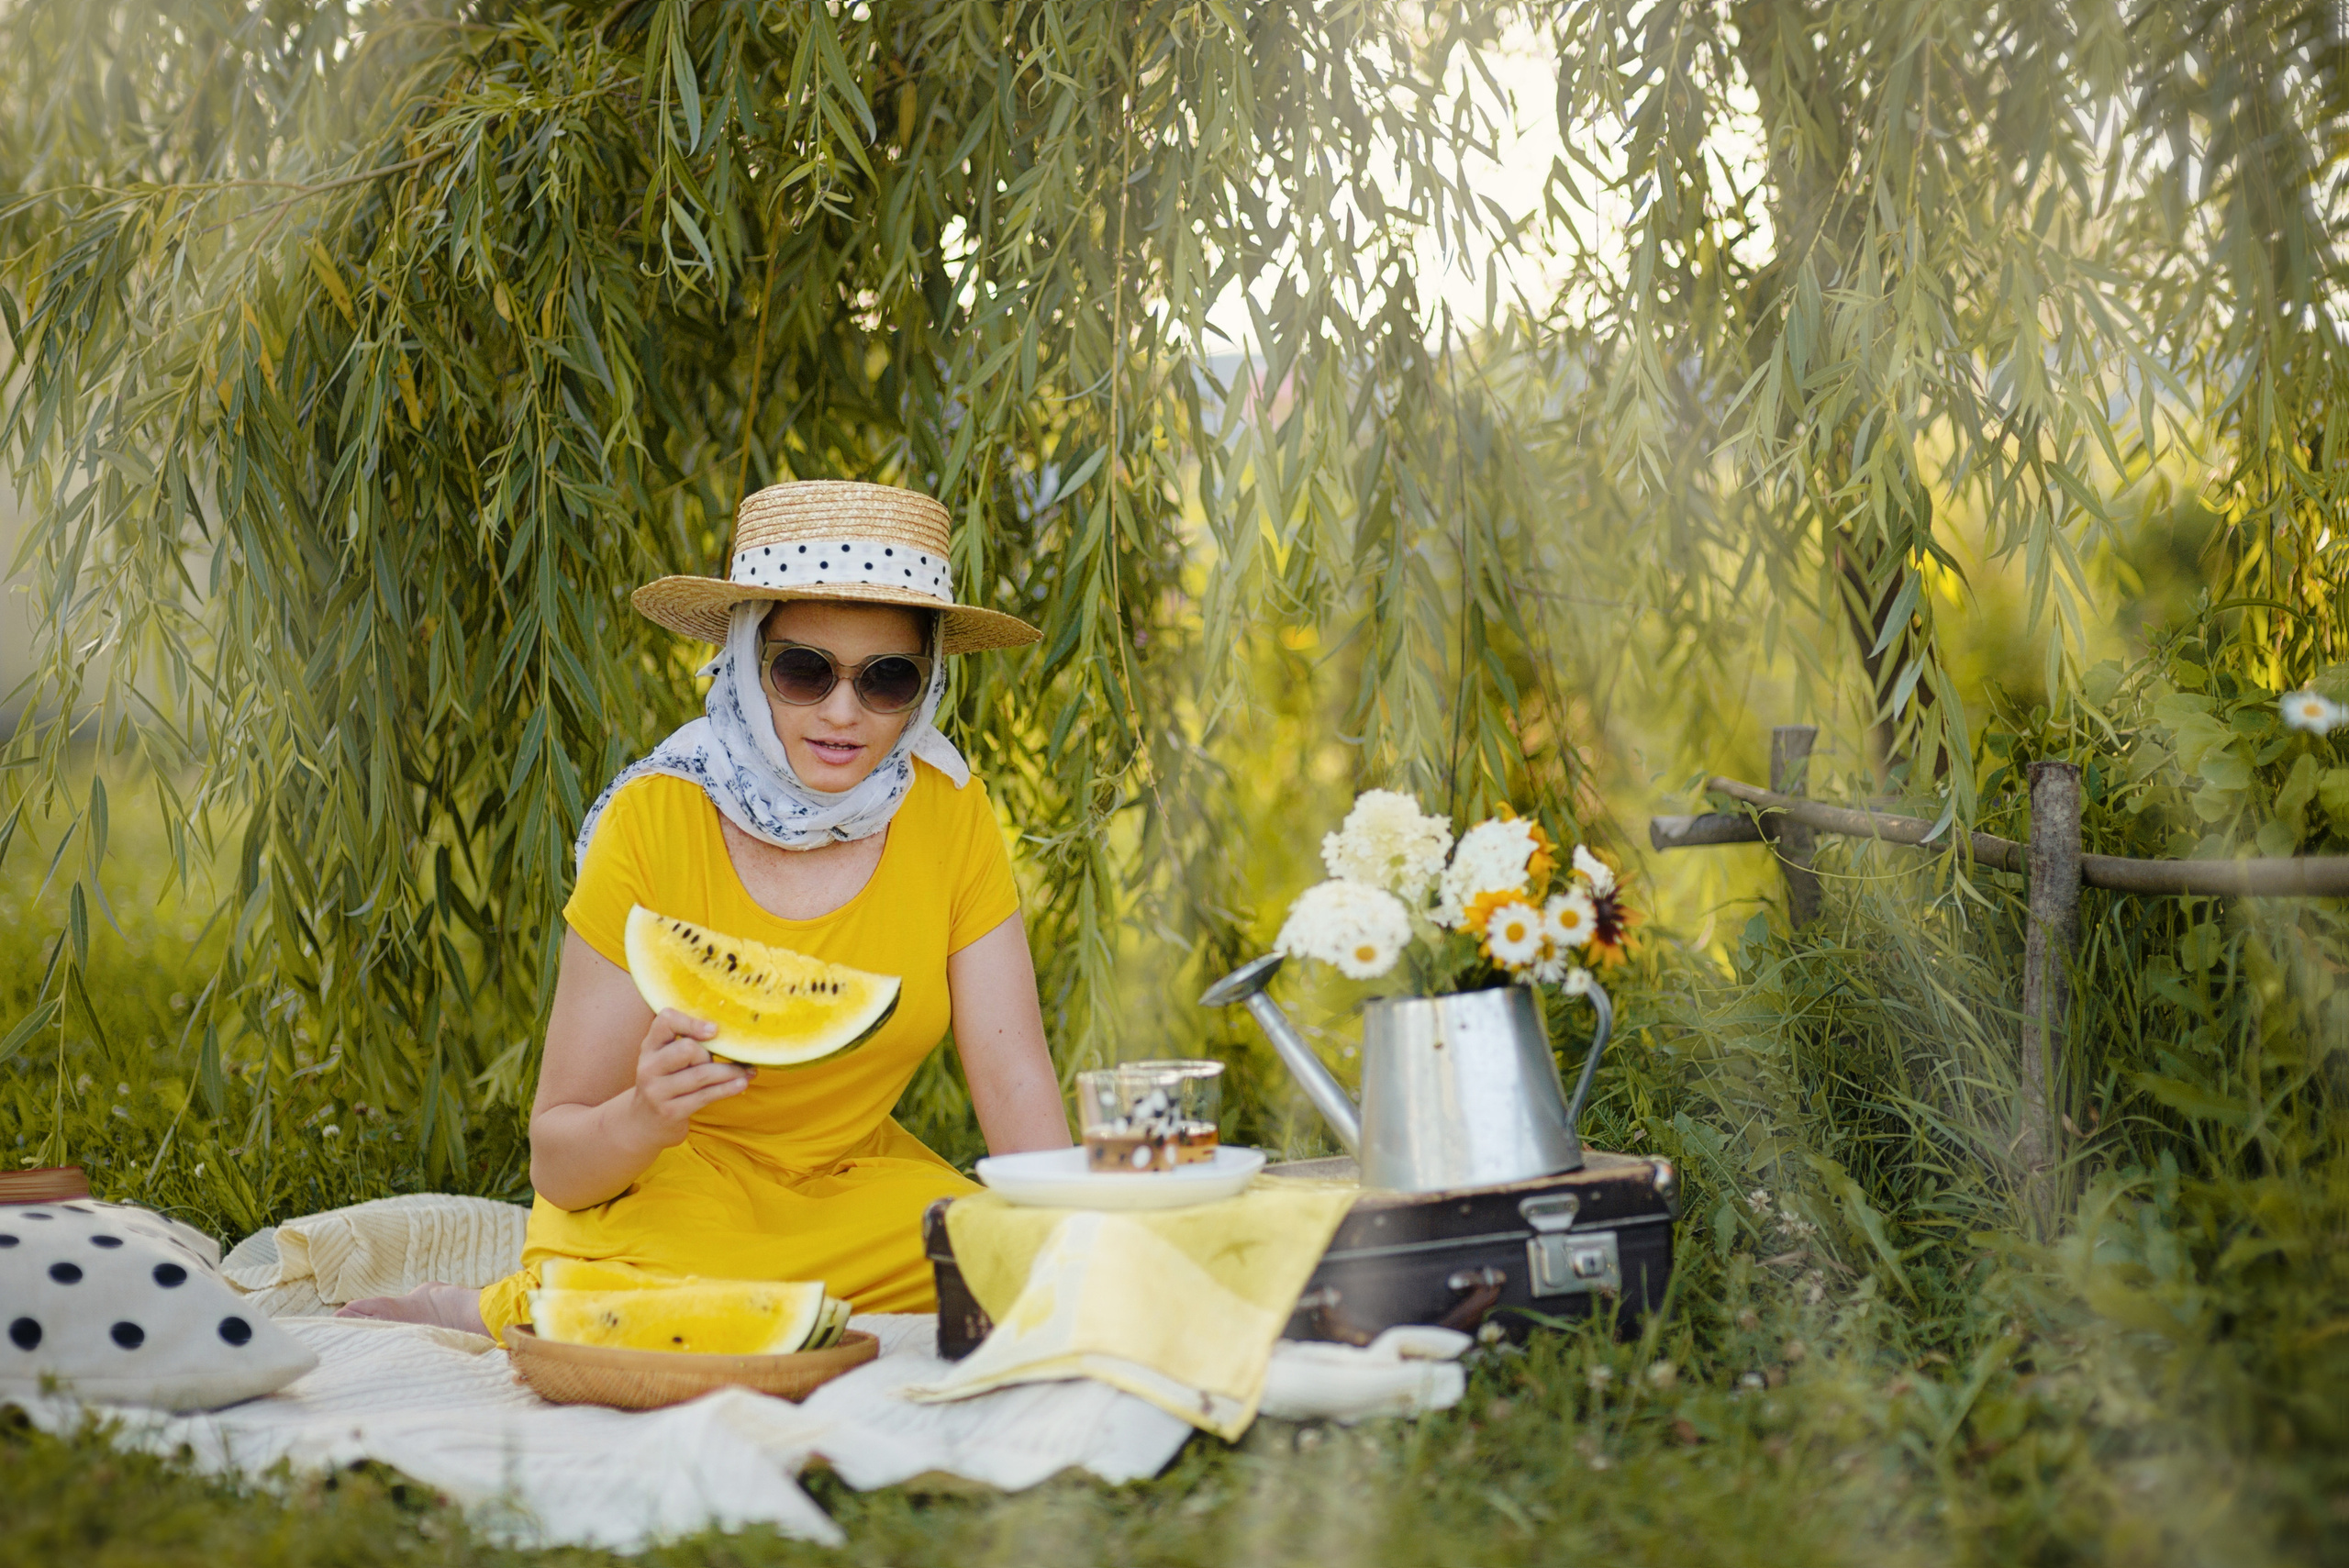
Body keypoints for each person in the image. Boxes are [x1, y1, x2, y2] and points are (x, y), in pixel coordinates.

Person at [342, 481, 1069, 1337]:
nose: (842, 712)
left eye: (887, 678)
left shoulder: (952, 813)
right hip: (670, 1185)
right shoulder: (651, 820)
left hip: (853, 1193)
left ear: (928, 682)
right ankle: (501, 1303)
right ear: (747, 658)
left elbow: (1017, 1079)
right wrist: (645, 1115)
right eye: (803, 670)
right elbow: (560, 1156)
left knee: (1000, 1245)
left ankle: (611, 1299)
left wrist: (1069, 1237)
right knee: (641, 1267)